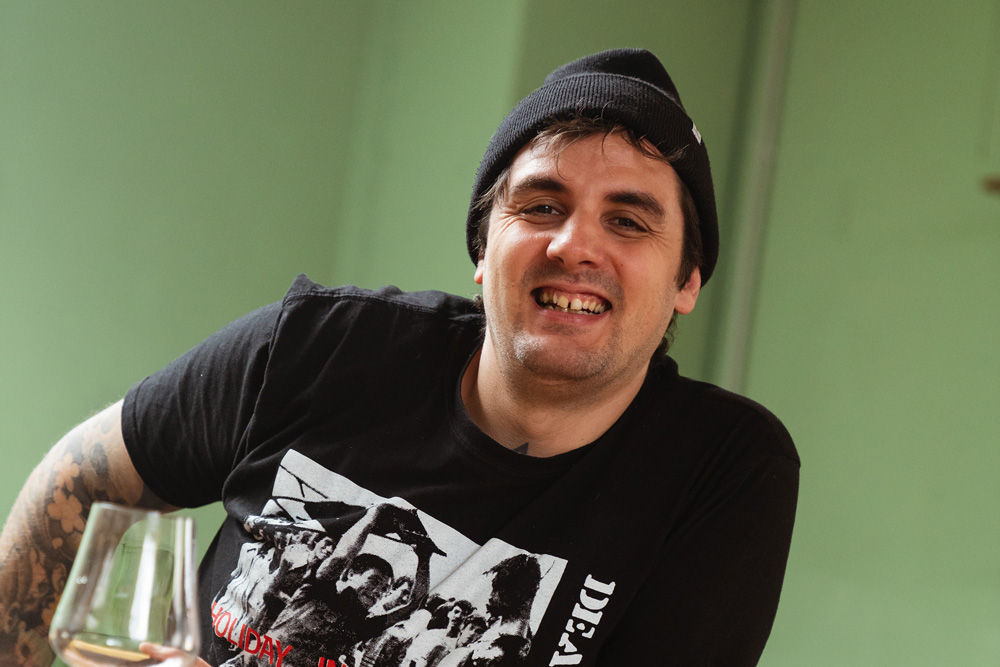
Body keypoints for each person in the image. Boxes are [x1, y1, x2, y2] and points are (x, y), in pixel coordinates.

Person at [0, 48, 799, 666]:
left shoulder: (720, 470)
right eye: (541, 204)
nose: (573, 245)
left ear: (687, 280)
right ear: (483, 249)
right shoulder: (322, 346)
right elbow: (78, 483)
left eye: (628, 221)